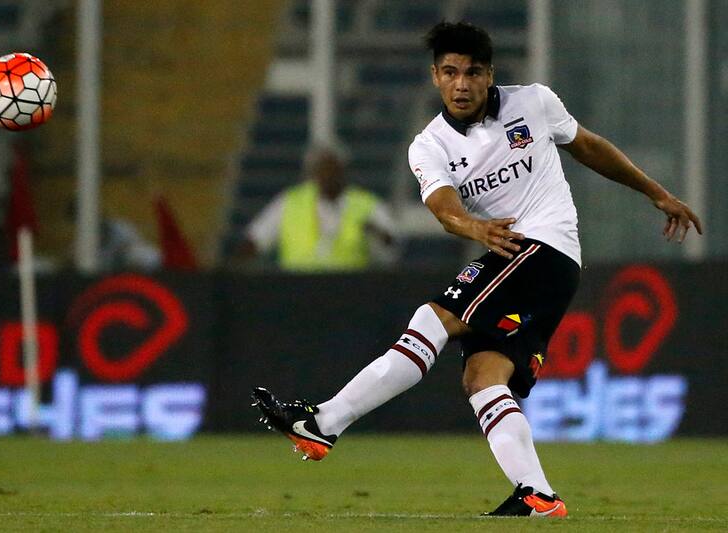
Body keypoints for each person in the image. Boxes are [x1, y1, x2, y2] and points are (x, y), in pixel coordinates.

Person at [252, 21, 702, 517]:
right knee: (483, 377)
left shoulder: (534, 102)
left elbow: (589, 146)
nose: (461, 84)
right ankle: (537, 495)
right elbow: (443, 207)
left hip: (543, 247)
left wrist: (657, 193)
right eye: (450, 72)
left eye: (472, 72)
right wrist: (473, 227)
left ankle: (325, 422)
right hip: (514, 254)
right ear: (435, 77)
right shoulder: (429, 145)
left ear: (490, 75)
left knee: (433, 319)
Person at [236, 142, 397, 271]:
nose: (327, 175)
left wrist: (375, 232)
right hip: (297, 290)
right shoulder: (290, 202)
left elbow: (391, 250)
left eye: (331, 168)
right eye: (322, 169)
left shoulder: (366, 204)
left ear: (342, 169)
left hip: (349, 291)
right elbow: (257, 239)